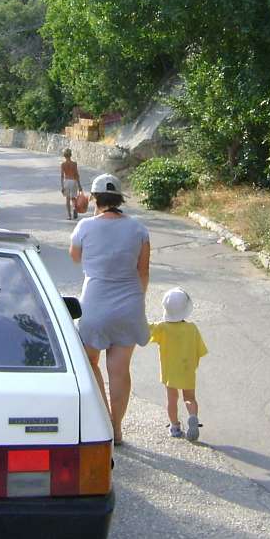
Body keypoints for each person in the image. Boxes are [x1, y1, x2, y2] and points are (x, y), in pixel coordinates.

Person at [69, 173, 150, 445]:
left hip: (95, 304)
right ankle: (117, 429)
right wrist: (137, 300)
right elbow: (143, 272)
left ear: (95, 198)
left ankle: (103, 420)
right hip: (130, 304)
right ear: (119, 199)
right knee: (120, 369)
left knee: (91, 362)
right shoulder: (139, 229)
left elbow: (75, 256)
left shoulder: (84, 228)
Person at [148, 287, 208, 440]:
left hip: (170, 371)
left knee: (172, 399)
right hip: (187, 369)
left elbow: (146, 330)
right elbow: (200, 350)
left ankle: (175, 427)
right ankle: (193, 416)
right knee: (189, 398)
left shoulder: (162, 327)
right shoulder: (192, 328)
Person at [60, 149, 83, 220]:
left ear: (64, 156)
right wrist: (79, 185)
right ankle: (74, 208)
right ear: (71, 155)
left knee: (67, 199)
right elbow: (76, 175)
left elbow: (62, 176)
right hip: (73, 181)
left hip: (66, 181)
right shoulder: (74, 164)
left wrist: (62, 186)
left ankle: (69, 216)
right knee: (73, 198)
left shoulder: (63, 164)